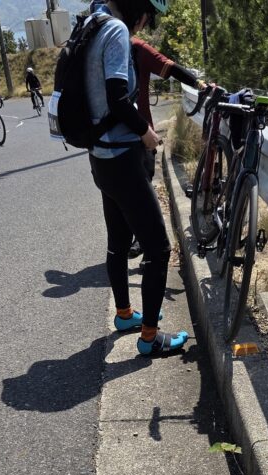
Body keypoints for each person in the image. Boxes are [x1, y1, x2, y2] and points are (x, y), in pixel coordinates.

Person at [84, 0, 188, 356]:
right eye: (148, 16)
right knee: (158, 248)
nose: (145, 23)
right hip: (122, 156)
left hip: (99, 156)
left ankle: (125, 314)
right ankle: (149, 338)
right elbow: (117, 98)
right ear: (139, 9)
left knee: (117, 241)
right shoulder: (116, 30)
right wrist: (146, 132)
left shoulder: (92, 25)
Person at [127, 37, 205, 260]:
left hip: (105, 141)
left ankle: (131, 244)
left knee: (119, 199)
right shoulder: (136, 47)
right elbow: (169, 68)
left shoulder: (96, 43)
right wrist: (199, 84)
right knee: (142, 193)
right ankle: (147, 248)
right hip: (141, 135)